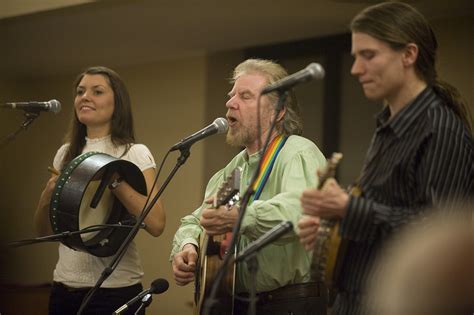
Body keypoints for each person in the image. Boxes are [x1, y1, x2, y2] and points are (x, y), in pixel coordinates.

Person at [297, 2, 473, 314]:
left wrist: (349, 209)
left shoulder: (440, 129)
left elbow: (437, 236)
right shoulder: (386, 127)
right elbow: (387, 210)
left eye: (369, 55)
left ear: (409, 55)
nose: (355, 69)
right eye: (355, 57)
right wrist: (333, 226)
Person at [170, 59, 328, 314]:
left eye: (245, 96)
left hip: (289, 304)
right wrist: (189, 246)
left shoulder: (297, 152)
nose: (230, 103)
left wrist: (239, 216)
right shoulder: (233, 171)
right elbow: (195, 221)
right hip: (239, 304)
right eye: (231, 95)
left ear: (278, 112)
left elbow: (300, 212)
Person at [34, 66, 165, 315]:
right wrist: (47, 195)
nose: (85, 97)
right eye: (80, 91)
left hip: (114, 292)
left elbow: (157, 223)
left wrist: (115, 182)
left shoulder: (133, 152)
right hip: (64, 288)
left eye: (97, 91)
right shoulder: (65, 153)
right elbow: (43, 231)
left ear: (117, 102)